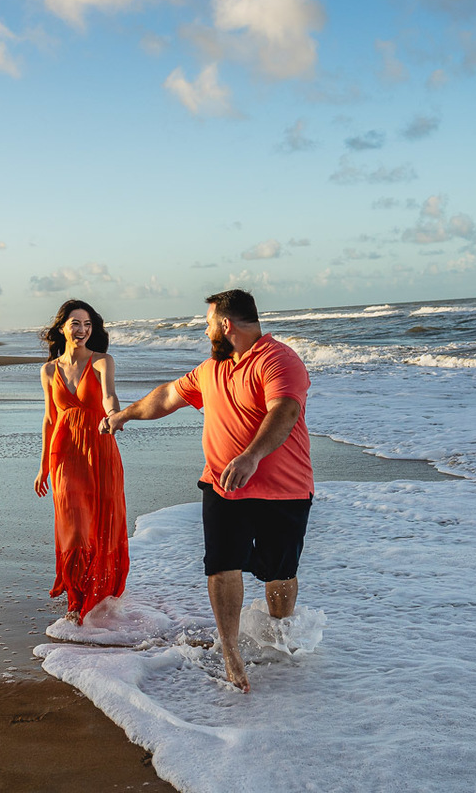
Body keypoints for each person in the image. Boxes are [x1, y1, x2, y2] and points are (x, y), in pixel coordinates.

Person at [102, 289, 313, 692]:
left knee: (280, 574)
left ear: (225, 324)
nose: (204, 330)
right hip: (223, 485)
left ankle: (279, 638)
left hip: (284, 489)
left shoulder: (279, 359)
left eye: (207, 323)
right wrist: (124, 415)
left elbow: (285, 410)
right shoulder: (210, 369)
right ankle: (231, 650)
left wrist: (251, 457)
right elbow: (167, 396)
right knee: (222, 564)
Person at [35, 300, 129, 624]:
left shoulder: (102, 361)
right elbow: (50, 419)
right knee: (74, 527)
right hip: (65, 452)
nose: (82, 330)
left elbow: (109, 396)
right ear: (62, 327)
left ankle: (98, 595)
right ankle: (76, 600)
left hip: (100, 447)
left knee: (102, 523)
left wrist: (114, 414)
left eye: (87, 324)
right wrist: (43, 466)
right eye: (75, 323)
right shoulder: (49, 371)